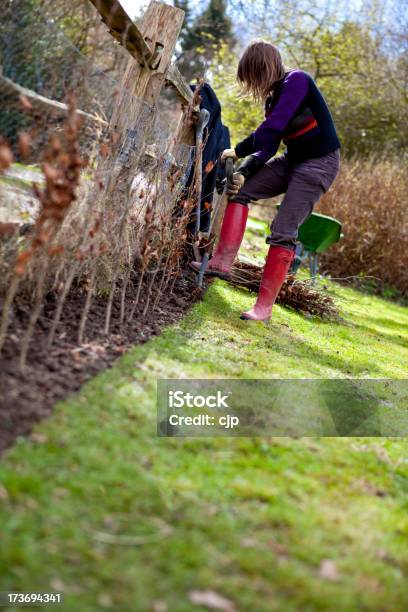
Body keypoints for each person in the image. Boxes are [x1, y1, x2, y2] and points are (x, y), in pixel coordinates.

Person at [191, 40, 340, 321]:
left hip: (319, 164)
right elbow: (269, 146)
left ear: (265, 68)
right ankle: (222, 263)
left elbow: (273, 128)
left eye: (255, 76)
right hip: (294, 159)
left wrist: (238, 150)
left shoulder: (298, 81)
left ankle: (264, 307)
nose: (255, 85)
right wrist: (244, 173)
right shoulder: (273, 99)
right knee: (240, 191)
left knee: (283, 230)